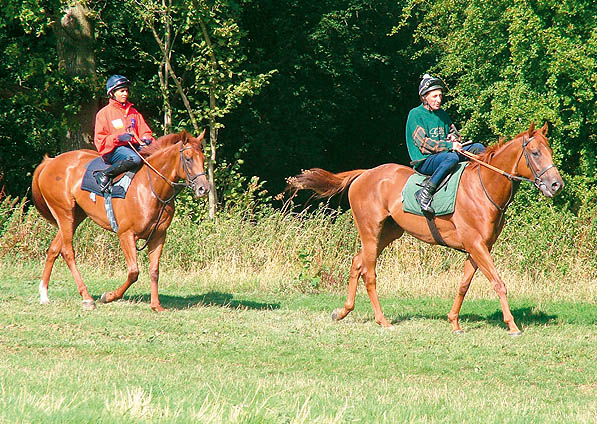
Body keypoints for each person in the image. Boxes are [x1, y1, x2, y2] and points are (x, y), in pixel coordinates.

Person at [405, 74, 485, 214]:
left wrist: (454, 139)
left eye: (440, 96)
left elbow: (454, 133)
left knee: (478, 148)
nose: (438, 100)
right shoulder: (415, 114)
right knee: (452, 158)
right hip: (425, 160)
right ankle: (425, 193)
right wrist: (449, 146)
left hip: (444, 155)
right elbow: (423, 144)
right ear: (424, 97)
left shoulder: (442, 114)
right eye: (434, 96)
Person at [93, 75, 155, 192]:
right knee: (135, 159)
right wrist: (119, 138)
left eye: (126, 91)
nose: (125, 94)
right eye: (122, 91)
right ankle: (105, 174)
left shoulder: (133, 112)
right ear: (112, 93)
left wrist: (147, 139)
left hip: (133, 147)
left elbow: (145, 131)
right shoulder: (104, 113)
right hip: (113, 150)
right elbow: (100, 140)